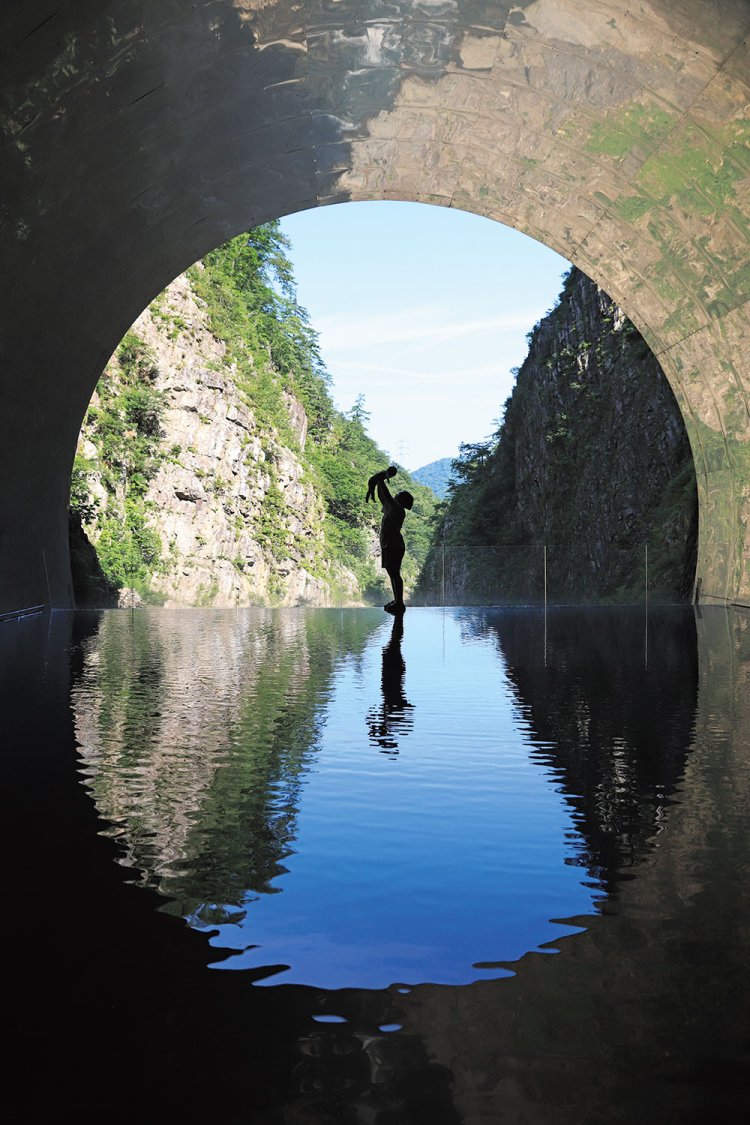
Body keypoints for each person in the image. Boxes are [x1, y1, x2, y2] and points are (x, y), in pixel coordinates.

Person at [366, 465, 414, 614]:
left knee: (394, 574)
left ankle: (399, 602)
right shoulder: (392, 508)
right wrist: (380, 480)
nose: (395, 495)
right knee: (393, 574)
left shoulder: (397, 509)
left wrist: (382, 478)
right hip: (392, 544)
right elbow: (383, 496)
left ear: (401, 500)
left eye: (398, 494)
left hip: (393, 545)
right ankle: (397, 601)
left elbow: (385, 495)